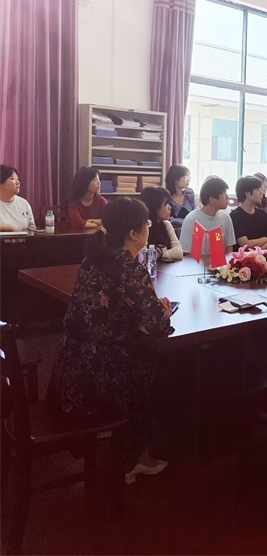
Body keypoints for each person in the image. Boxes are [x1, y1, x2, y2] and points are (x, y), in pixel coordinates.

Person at [46, 198, 172, 483]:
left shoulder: (93, 258)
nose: (149, 227)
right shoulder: (128, 268)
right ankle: (133, 457)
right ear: (134, 233)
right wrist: (163, 312)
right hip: (100, 375)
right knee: (159, 372)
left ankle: (127, 450)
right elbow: (156, 325)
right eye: (146, 223)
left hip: (69, 364)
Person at [179, 176, 236, 256]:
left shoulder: (226, 218)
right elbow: (187, 254)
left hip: (220, 263)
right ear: (212, 199)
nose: (228, 198)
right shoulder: (191, 220)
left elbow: (229, 250)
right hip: (195, 263)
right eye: (224, 195)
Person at [230, 176, 267, 249]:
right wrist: (264, 239)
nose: (261, 193)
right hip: (245, 256)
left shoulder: (262, 214)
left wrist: (259, 251)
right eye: (258, 190)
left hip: (263, 254)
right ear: (248, 193)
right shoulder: (235, 216)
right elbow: (245, 244)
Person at [139, 186, 183, 261]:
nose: (170, 208)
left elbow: (179, 252)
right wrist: (165, 253)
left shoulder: (166, 224)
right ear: (155, 207)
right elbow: (143, 256)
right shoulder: (142, 227)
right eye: (166, 204)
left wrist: (160, 253)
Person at [0, 165, 36, 232]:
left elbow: (32, 229)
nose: (18, 182)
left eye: (18, 179)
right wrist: (7, 228)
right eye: (13, 179)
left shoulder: (23, 203)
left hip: (23, 239)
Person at [165, 164, 196, 231]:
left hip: (189, 231)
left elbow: (194, 217)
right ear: (176, 180)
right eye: (185, 177)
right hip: (170, 232)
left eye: (189, 177)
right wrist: (186, 221)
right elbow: (167, 220)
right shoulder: (166, 197)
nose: (188, 180)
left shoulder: (189, 194)